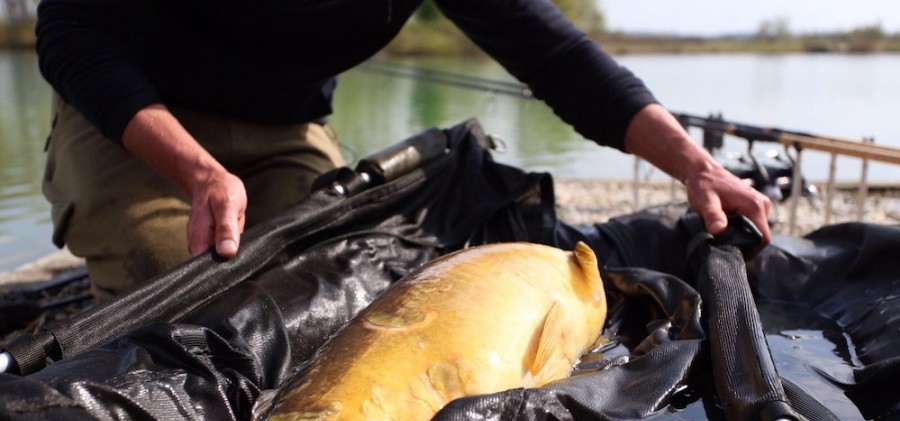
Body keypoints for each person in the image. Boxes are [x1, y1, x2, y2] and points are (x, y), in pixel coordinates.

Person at [35, 0, 772, 300]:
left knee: (320, 296)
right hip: (135, 119)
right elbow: (71, 30)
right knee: (181, 291)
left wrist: (695, 165)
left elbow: (557, 55)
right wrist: (195, 170)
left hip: (286, 128)